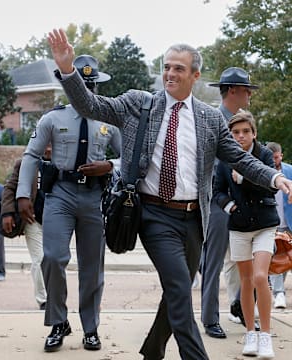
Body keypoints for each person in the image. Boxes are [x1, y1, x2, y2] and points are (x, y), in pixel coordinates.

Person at [47, 28, 292, 360]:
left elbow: (239, 159)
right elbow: (91, 105)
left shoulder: (208, 119)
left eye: (179, 68)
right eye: (167, 67)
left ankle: (151, 353)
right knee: (179, 289)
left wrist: (276, 178)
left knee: (173, 295)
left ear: (195, 75)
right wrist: (67, 69)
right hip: (153, 214)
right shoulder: (138, 104)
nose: (170, 74)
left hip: (194, 219)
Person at [16, 54, 121, 353]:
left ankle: (91, 327)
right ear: (67, 84)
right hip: (60, 194)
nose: (86, 89)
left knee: (92, 267)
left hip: (94, 198)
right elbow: (31, 155)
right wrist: (24, 193)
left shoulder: (108, 121)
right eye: (80, 83)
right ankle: (58, 321)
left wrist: (110, 165)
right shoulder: (52, 118)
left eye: (91, 84)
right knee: (52, 257)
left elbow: (131, 158)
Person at [200, 67, 259, 338]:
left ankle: (240, 307)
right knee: (213, 262)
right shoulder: (213, 120)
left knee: (249, 260)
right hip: (218, 200)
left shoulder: (243, 122)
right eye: (246, 89)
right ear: (233, 90)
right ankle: (210, 317)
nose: (249, 94)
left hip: (244, 202)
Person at [214, 110, 277, 358]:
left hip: (265, 225)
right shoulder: (224, 159)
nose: (241, 136)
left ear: (254, 133)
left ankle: (266, 336)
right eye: (236, 132)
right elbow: (217, 190)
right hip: (239, 227)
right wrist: (229, 205)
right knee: (246, 282)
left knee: (261, 277)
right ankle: (250, 332)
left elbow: (269, 188)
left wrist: (244, 179)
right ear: (230, 135)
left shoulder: (264, 155)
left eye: (246, 131)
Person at [1, 145, 51, 310]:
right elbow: (9, 188)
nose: (49, 149)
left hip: (57, 221)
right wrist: (7, 213)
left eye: (52, 145)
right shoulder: (25, 163)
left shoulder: (64, 162)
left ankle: (55, 295)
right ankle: (44, 299)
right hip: (32, 220)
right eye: (46, 144)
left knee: (56, 260)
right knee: (40, 258)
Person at [266, 141, 292, 309]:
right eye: (271, 158)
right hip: (271, 223)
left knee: (286, 258)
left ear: (281, 156)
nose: (274, 161)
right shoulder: (262, 172)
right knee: (275, 256)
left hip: (289, 221)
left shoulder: (290, 171)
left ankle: (279, 290)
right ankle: (279, 293)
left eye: (276, 157)